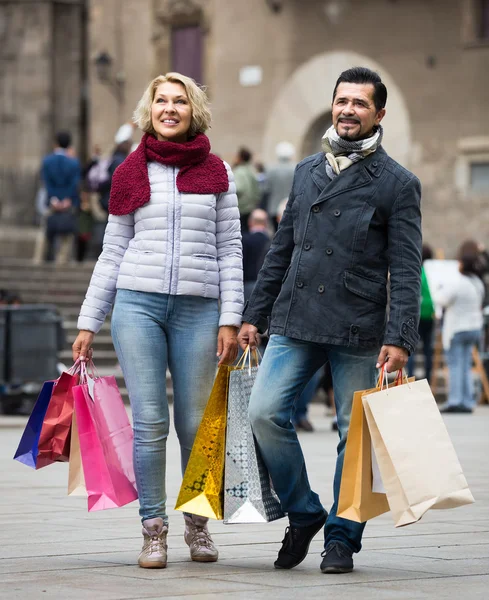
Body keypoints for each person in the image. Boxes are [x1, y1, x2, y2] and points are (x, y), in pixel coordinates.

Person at [238, 67, 422, 574]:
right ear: (333, 104)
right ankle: (304, 512)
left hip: (359, 326)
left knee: (354, 435)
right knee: (263, 412)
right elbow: (281, 248)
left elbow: (406, 267)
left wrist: (400, 335)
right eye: (343, 101)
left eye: (361, 104)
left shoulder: (398, 184)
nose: (349, 110)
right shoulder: (306, 172)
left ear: (378, 114)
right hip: (295, 316)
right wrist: (255, 315)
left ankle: (342, 536)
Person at [72, 72, 243, 569]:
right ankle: (153, 530)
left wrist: (230, 316)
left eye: (180, 101)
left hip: (199, 308)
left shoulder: (218, 172)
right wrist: (89, 321)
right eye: (161, 101)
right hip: (137, 306)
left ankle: (197, 523)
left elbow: (230, 249)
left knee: (196, 425)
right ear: (149, 110)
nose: (170, 109)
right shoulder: (130, 172)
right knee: (149, 422)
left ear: (195, 111)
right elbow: (112, 252)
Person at [434, 242, 485, 413]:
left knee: (455, 365)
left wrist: (439, 288)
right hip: (474, 327)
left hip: (457, 328)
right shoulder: (477, 282)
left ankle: (455, 400)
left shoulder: (457, 282)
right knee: (466, 365)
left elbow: (441, 299)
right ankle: (468, 400)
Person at [34, 131, 81, 264]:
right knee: (66, 234)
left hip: (52, 202)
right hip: (67, 203)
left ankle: (38, 259)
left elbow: (46, 182)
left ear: (56, 143)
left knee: (45, 231)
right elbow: (74, 184)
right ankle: (61, 261)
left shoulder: (47, 161)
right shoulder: (74, 163)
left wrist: (54, 199)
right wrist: (67, 200)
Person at [407, 244, 436, 382]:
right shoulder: (433, 273)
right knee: (428, 350)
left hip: (416, 314)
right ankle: (428, 380)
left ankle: (411, 378)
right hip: (430, 314)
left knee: (411, 349)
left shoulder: (416, 271)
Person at [264, 141, 296, 229]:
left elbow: (266, 189)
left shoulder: (270, 169)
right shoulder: (296, 168)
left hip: (273, 208)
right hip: (291, 207)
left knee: (276, 232)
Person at [242, 209, 272, 301]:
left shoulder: (245, 240)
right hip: (266, 286)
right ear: (266, 223)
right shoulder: (271, 241)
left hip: (247, 285)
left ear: (250, 222)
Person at [233, 147, 261, 232]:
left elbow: (238, 188)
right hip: (250, 207)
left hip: (241, 207)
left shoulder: (239, 171)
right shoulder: (252, 170)